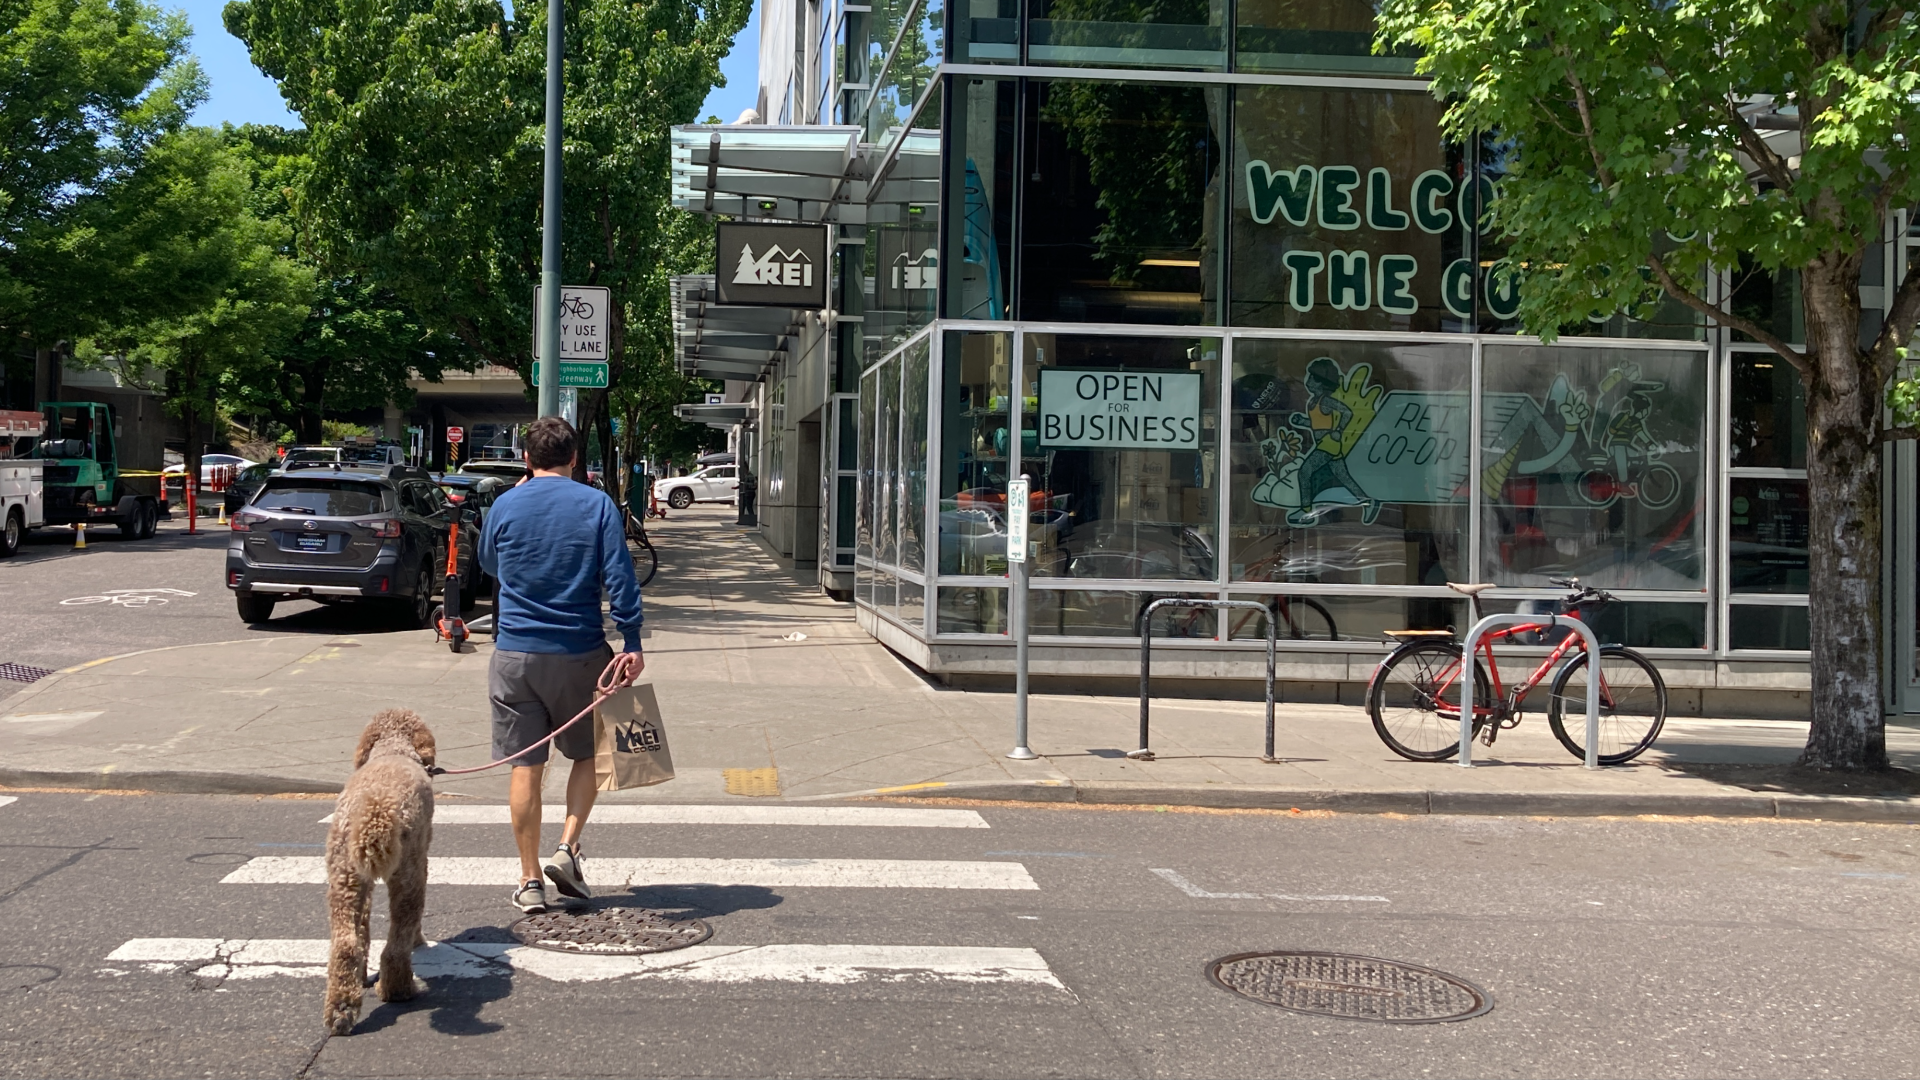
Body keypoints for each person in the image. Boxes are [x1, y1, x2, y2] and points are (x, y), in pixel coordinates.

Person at [477, 416, 644, 913]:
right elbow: (620, 577)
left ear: (526, 459)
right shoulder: (596, 504)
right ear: (575, 458)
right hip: (580, 652)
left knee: (525, 766)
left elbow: (488, 563)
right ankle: (567, 848)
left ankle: (529, 880)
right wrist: (632, 640)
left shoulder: (505, 505)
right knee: (590, 754)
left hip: (515, 654)